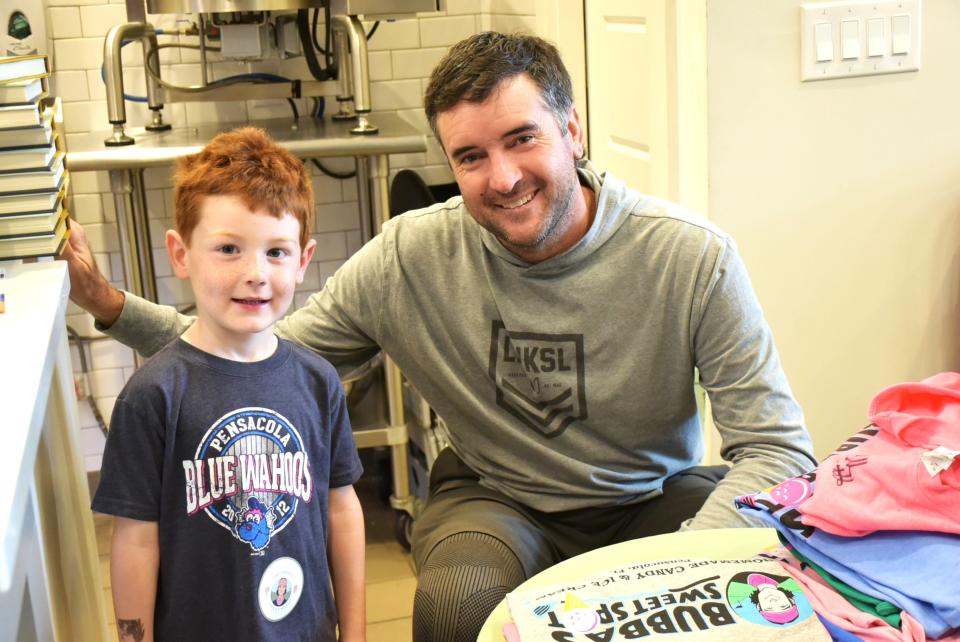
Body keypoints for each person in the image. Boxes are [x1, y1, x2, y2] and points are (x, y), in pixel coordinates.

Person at [67, 32, 817, 642]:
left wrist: (665, 575)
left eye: (522, 139)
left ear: (572, 129)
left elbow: (777, 449)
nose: (502, 177)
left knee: (718, 609)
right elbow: (255, 359)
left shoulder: (691, 257)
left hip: (651, 496)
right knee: (458, 609)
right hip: (495, 498)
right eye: (470, 156)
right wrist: (110, 304)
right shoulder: (410, 256)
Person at [89, 128, 366, 642]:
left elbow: (341, 509)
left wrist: (354, 632)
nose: (256, 273)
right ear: (180, 254)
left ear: (304, 261)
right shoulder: (153, 394)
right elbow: (135, 540)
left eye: (276, 252)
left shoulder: (318, 381)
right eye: (228, 249)